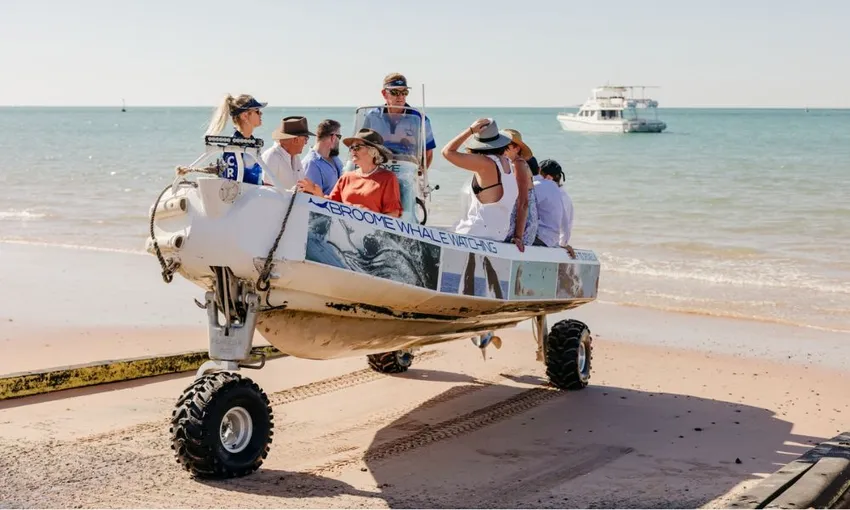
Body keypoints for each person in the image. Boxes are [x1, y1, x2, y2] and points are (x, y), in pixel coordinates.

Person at [442, 118, 521, 247]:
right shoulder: (508, 164)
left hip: (474, 236)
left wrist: (470, 131)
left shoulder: (485, 164)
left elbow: (447, 152)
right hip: (498, 237)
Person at [297, 129, 403, 217]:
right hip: (343, 231)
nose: (353, 151)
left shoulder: (388, 178)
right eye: (351, 148)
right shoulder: (346, 177)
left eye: (357, 147)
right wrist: (319, 194)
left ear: (373, 151)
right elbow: (332, 205)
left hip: (370, 233)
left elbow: (392, 214)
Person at [362, 73, 436, 168]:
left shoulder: (419, 118)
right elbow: (362, 144)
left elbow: (428, 151)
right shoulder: (372, 116)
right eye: (395, 92)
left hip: (407, 169)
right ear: (384, 94)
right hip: (378, 167)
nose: (400, 96)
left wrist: (420, 172)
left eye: (404, 92)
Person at [205, 94, 267, 185]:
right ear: (245, 116)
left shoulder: (251, 143)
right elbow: (231, 186)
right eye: (257, 111)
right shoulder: (233, 148)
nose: (261, 114)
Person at [501, 129, 539, 247]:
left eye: (506, 147)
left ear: (517, 149)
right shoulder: (510, 164)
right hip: (519, 218)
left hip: (524, 225)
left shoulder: (518, 164)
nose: (501, 150)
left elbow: (524, 203)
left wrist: (518, 236)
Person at [534, 159, 575, 257]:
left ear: (548, 177)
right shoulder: (564, 196)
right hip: (554, 240)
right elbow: (566, 224)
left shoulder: (540, 187)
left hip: (542, 238)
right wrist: (563, 244)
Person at [261, 116, 314, 189]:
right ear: (295, 140)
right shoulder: (271, 156)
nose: (306, 143)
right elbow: (266, 190)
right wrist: (291, 192)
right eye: (306, 139)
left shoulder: (295, 157)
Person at [302, 119, 344, 195]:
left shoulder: (334, 158)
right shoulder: (311, 164)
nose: (339, 141)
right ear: (333, 137)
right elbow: (313, 198)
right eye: (339, 137)